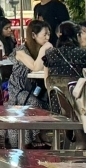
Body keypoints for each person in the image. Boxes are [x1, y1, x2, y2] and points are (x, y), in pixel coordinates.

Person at [5, 19, 53, 148]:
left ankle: (39, 134)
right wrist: (44, 50)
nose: (48, 38)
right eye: (45, 35)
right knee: (34, 102)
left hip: (35, 86)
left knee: (49, 101)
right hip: (18, 89)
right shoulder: (21, 51)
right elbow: (35, 67)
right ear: (33, 35)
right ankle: (32, 137)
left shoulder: (42, 49)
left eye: (49, 34)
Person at [43, 22, 86, 115]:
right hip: (80, 104)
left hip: (57, 106)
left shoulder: (49, 55)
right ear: (76, 35)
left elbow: (46, 82)